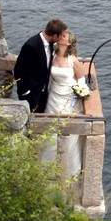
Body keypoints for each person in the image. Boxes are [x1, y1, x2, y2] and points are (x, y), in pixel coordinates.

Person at [40, 30, 89, 184]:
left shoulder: (73, 61)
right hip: (53, 97)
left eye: (64, 36)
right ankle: (46, 169)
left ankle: (69, 173)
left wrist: (80, 93)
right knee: (50, 134)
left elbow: (81, 82)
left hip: (67, 99)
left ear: (68, 42)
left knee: (68, 135)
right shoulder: (52, 57)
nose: (61, 36)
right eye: (61, 35)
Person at [13, 19, 68, 112]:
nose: (61, 38)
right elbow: (18, 71)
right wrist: (26, 92)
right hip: (30, 94)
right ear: (55, 35)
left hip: (43, 93)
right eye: (61, 35)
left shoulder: (51, 44)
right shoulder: (31, 46)